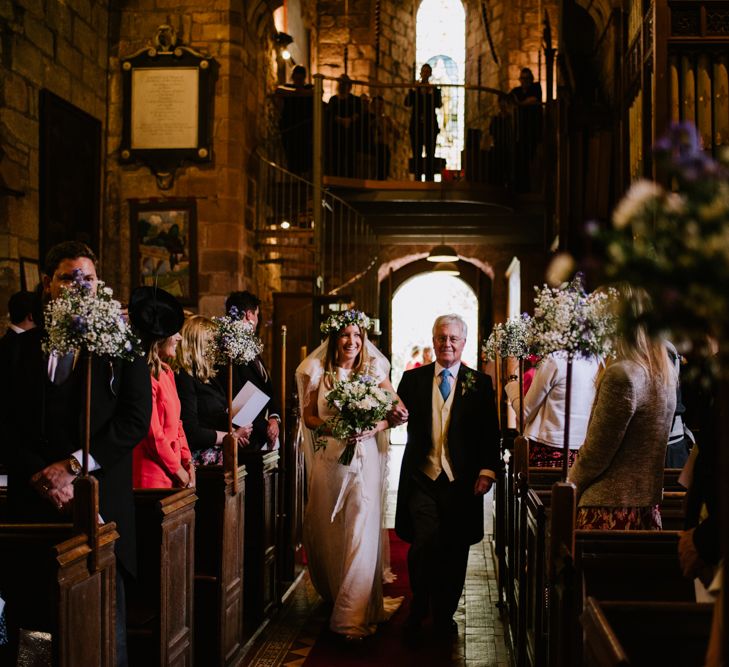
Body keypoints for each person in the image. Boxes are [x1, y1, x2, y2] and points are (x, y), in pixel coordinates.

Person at [1, 241, 152, 665]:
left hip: (99, 505)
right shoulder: (18, 349)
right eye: (70, 277)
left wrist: (71, 468)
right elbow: (6, 424)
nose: (80, 286)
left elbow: (134, 420)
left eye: (88, 278)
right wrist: (41, 475)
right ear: (49, 285)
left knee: (103, 627)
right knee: (35, 632)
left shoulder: (122, 347)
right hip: (34, 506)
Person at [296, 309, 404, 640]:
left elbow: (396, 410)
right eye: (345, 335)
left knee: (361, 526)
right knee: (331, 528)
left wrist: (377, 424)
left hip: (366, 459)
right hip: (331, 460)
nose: (352, 342)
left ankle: (351, 613)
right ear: (333, 339)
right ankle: (335, 592)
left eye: (358, 336)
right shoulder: (317, 371)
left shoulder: (373, 369)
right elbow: (309, 417)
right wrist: (336, 425)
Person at [395, 314, 500, 635]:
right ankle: (419, 604)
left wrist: (487, 471)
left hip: (462, 482)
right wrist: (389, 414)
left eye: (453, 338)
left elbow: (488, 432)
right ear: (433, 340)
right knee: (423, 543)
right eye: (442, 338)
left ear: (464, 343)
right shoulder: (412, 379)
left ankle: (445, 614)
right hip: (422, 478)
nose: (447, 344)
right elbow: (394, 412)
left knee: (455, 550)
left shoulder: (478, 383)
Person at [567, 285, 677, 530]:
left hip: (608, 510)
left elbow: (596, 454)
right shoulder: (663, 375)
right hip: (645, 509)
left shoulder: (622, 375)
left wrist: (568, 486)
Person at [128, 286, 194, 489]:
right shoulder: (144, 375)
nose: (179, 338)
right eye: (174, 333)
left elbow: (178, 425)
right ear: (159, 338)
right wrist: (178, 469)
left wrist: (188, 461)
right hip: (152, 474)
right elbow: (152, 433)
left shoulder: (167, 372)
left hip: (175, 471)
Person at [174, 315, 252, 465]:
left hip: (219, 457)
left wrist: (236, 425)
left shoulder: (208, 376)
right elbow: (190, 431)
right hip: (200, 461)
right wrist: (231, 436)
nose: (216, 349)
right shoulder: (184, 377)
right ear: (198, 345)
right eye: (211, 343)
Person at [504, 352, 600, 467]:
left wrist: (511, 378)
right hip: (583, 450)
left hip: (549, 449)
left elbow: (524, 412)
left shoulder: (554, 360)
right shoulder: (596, 360)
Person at [224, 291, 280, 451]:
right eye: (257, 314)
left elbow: (267, 388)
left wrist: (274, 418)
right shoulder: (229, 353)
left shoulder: (251, 348)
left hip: (264, 430)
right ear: (249, 315)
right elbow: (237, 398)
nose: (257, 319)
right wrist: (266, 429)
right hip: (247, 436)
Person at [405, 63, 442, 181]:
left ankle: (429, 181)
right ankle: (417, 180)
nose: (425, 73)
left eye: (427, 71)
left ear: (430, 73)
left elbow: (438, 104)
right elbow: (407, 103)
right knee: (417, 155)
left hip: (430, 126)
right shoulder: (415, 88)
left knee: (430, 154)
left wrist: (431, 93)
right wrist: (413, 90)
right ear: (420, 73)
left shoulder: (434, 89)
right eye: (423, 71)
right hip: (416, 126)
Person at [274, 65, 314, 175]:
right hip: (289, 125)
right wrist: (298, 92)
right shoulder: (287, 87)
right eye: (297, 78)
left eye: (300, 78)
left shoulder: (310, 87)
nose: (298, 81)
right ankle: (294, 174)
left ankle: (303, 175)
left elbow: (317, 92)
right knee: (291, 152)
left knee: (305, 152)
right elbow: (278, 90)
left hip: (304, 126)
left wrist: (298, 93)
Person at [509, 67, 543, 191]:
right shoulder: (516, 91)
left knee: (531, 160)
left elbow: (534, 99)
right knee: (519, 160)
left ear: (531, 79)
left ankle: (530, 189)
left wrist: (520, 104)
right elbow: (508, 100)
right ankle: (520, 188)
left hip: (533, 131)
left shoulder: (536, 88)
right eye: (523, 78)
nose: (525, 81)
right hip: (520, 132)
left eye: (527, 78)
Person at [326, 74, 362, 178]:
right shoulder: (333, 99)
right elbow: (330, 114)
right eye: (341, 83)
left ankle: (350, 179)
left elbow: (358, 112)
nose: (343, 86)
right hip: (336, 132)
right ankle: (338, 178)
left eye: (345, 84)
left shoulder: (355, 100)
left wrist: (349, 120)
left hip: (351, 133)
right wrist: (341, 120)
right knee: (338, 157)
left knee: (350, 156)